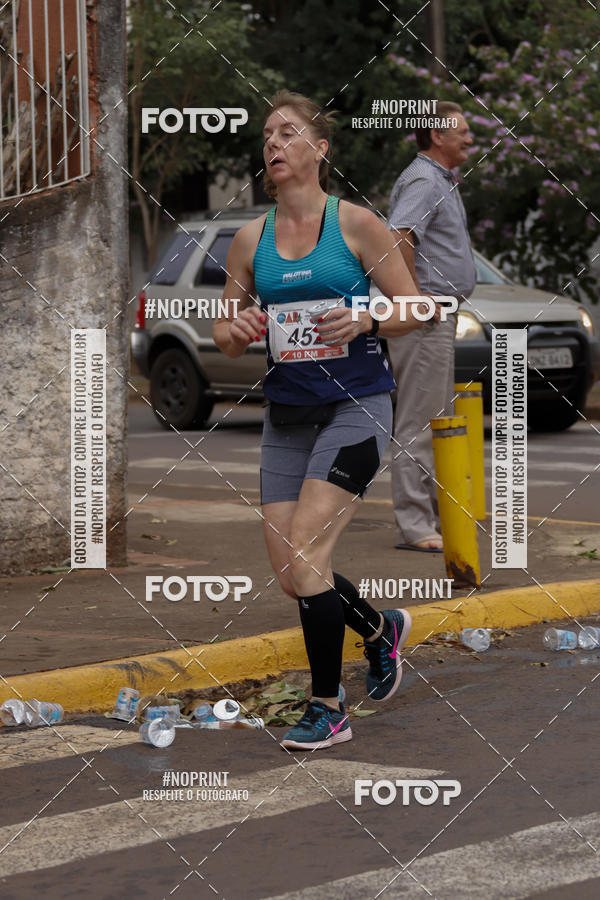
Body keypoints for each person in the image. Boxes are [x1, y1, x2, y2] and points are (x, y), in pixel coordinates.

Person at [214, 90, 434, 751]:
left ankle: (327, 708)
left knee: (308, 550)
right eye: (267, 136)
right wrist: (237, 329)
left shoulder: (358, 225)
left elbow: (418, 308)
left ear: (320, 148)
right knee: (292, 572)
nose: (273, 144)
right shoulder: (249, 240)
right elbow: (225, 331)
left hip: (356, 406)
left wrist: (367, 317)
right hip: (288, 414)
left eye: (288, 133)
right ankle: (379, 630)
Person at [386, 101, 477, 553]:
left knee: (436, 418)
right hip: (425, 317)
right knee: (419, 421)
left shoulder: (439, 179)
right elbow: (399, 236)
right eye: (462, 131)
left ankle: (437, 517)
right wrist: (414, 300)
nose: (470, 138)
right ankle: (416, 524)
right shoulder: (425, 179)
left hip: (436, 315)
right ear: (437, 136)